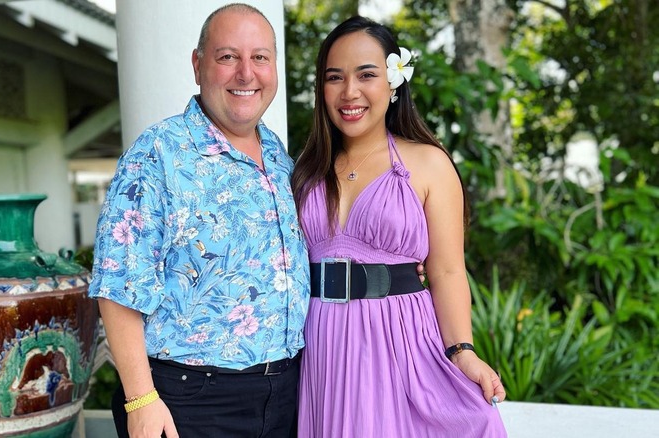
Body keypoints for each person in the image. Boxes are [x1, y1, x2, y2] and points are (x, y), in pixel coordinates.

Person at [88, 4, 310, 438]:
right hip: (189, 400)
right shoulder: (158, 153)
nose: (246, 73)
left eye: (260, 57)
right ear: (198, 64)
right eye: (228, 57)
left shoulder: (280, 158)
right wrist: (141, 399)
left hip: (285, 392)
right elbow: (118, 285)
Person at [291, 16, 508, 437]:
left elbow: (445, 270)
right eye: (334, 77)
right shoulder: (304, 172)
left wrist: (463, 351)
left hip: (400, 341)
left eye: (366, 75)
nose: (349, 92)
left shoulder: (428, 163)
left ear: (393, 82)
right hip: (321, 342)